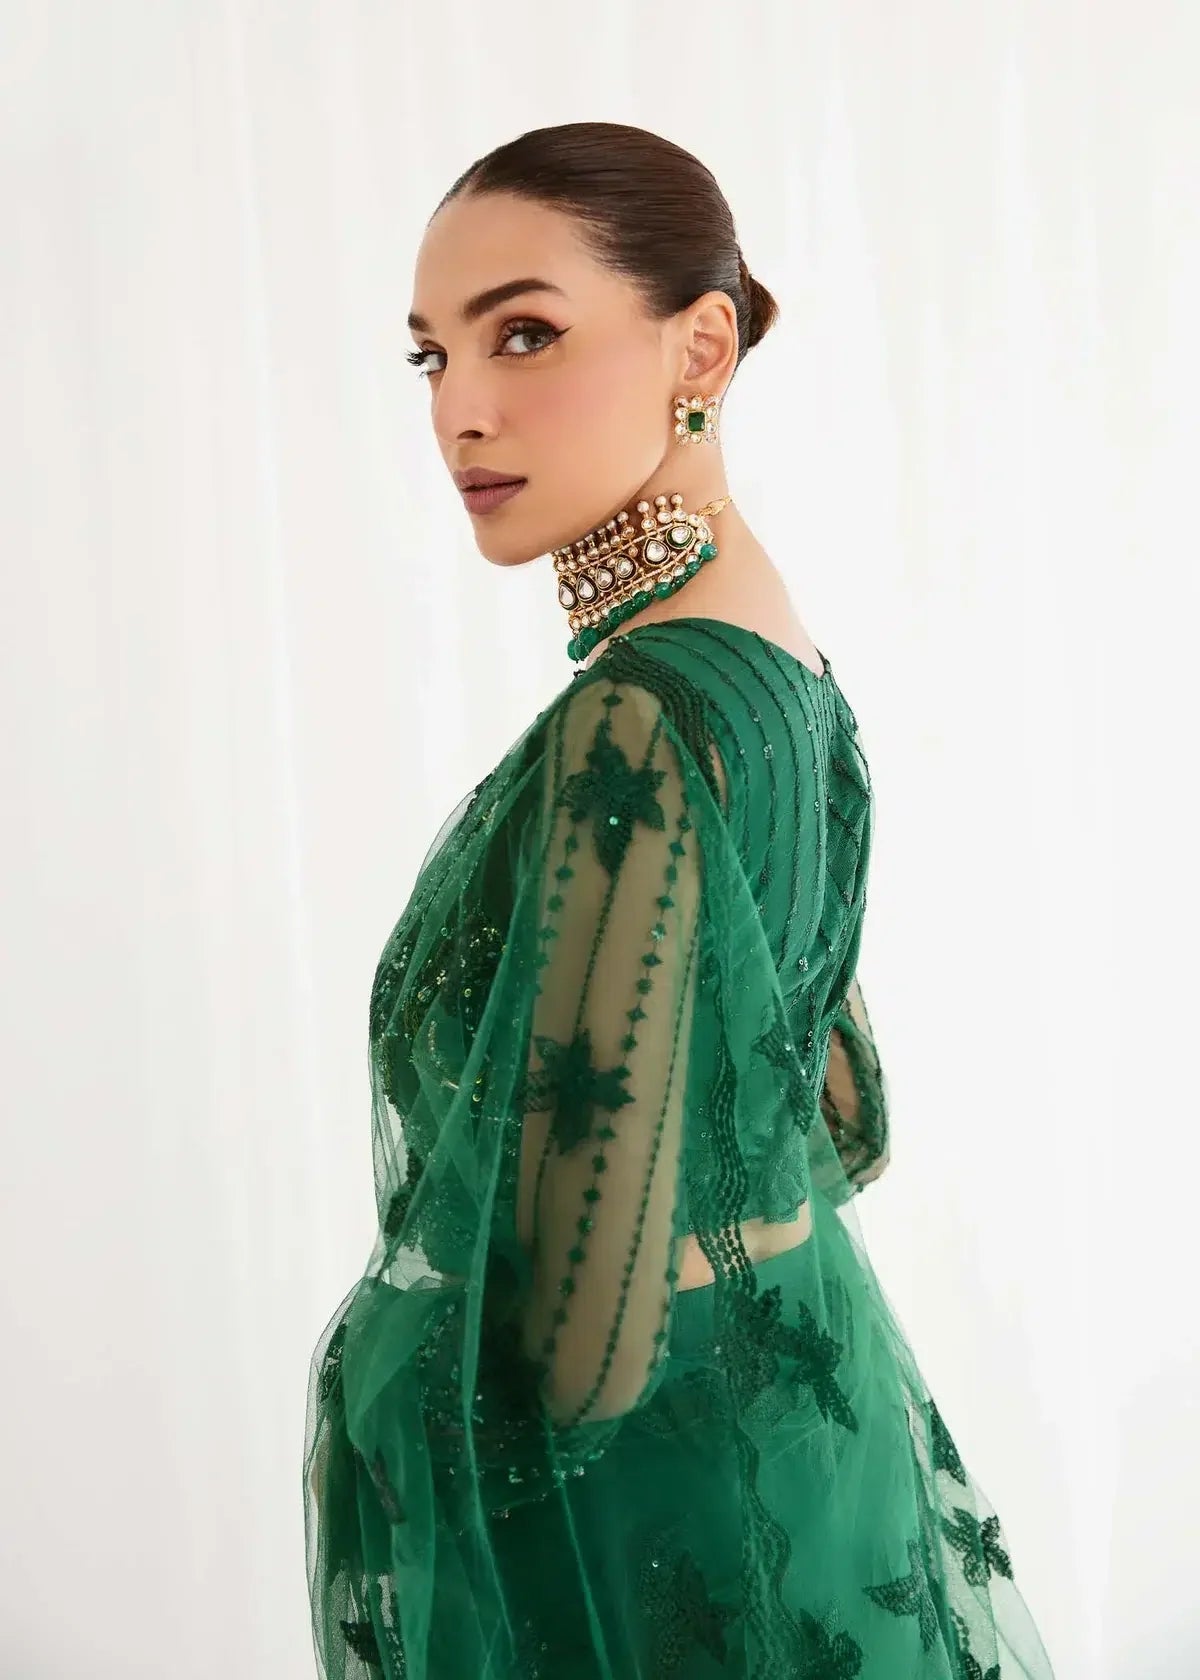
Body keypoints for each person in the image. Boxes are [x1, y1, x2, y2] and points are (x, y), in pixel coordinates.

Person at [302, 121, 1056, 1680]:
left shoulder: (636, 726)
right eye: (431, 357)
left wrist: (394, 1384)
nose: (461, 410)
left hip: (646, 1542)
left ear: (700, 346)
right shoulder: (781, 674)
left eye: (524, 334)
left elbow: (583, 1360)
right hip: (800, 1468)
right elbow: (839, 1118)